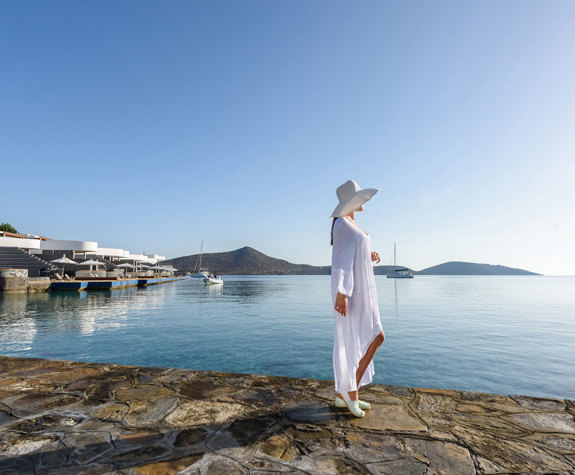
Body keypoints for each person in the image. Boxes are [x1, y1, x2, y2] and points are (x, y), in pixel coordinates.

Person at [330, 179, 386, 417]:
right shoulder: (342, 224)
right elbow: (340, 262)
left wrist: (368, 255)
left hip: (363, 291)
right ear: (351, 201)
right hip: (351, 294)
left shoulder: (351, 223)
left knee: (366, 337)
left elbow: (353, 254)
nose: (363, 201)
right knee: (367, 337)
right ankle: (349, 393)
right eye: (359, 197)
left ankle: (343, 393)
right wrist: (342, 293)